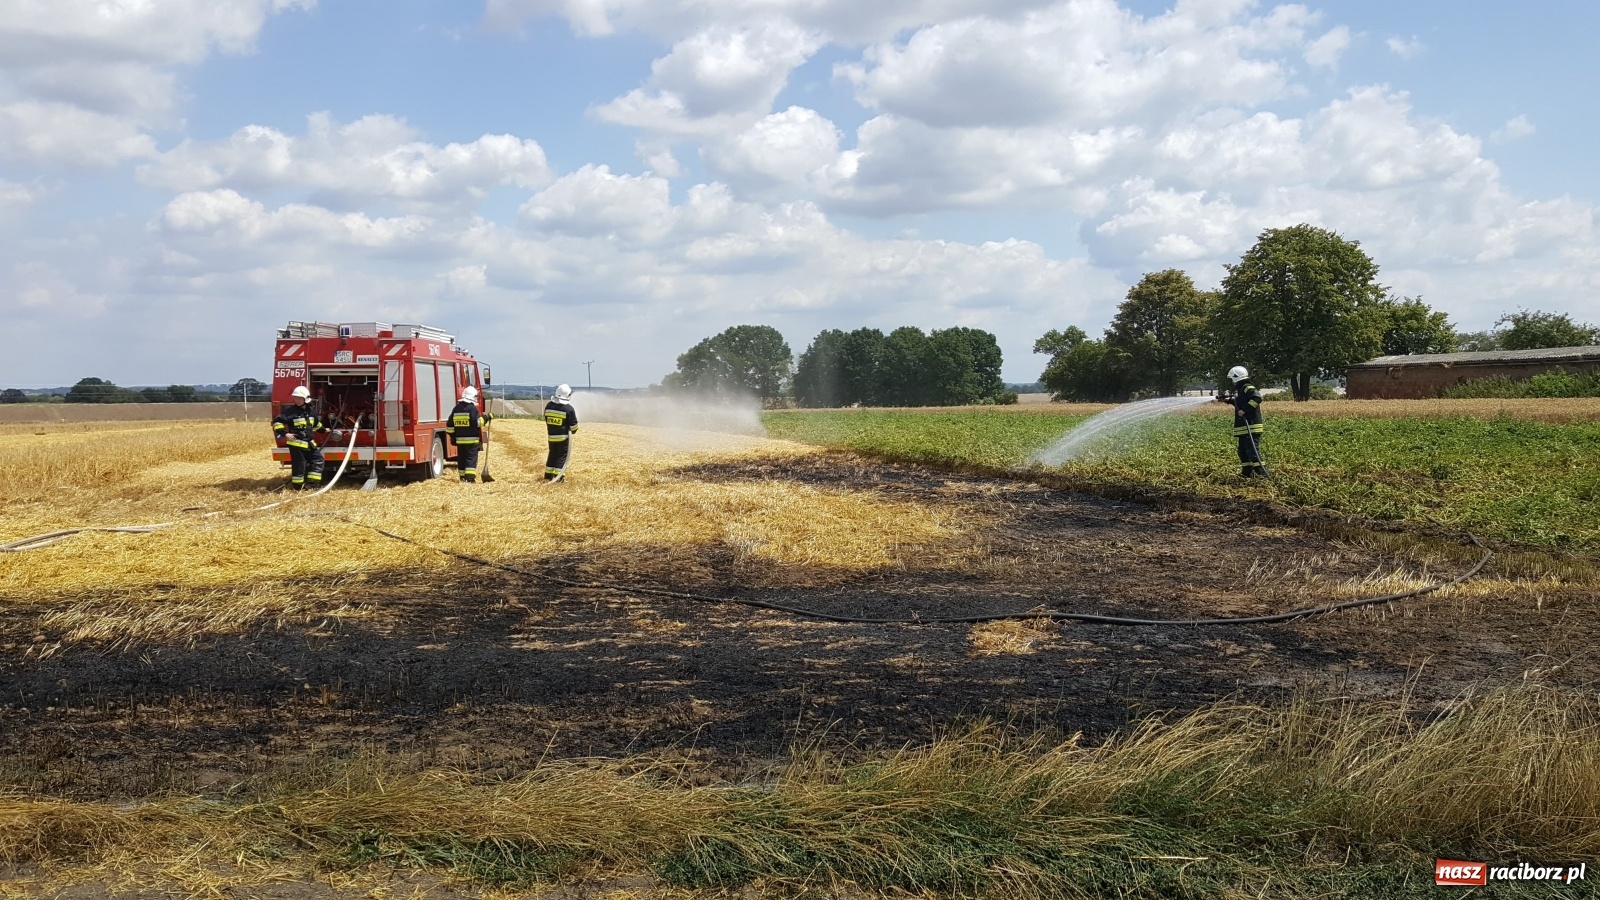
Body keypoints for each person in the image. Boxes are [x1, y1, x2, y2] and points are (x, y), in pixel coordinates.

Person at [273, 385, 325, 489]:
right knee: (300, 465)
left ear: (306, 399)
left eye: (299, 398)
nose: (297, 400)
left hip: (309, 444)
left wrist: (324, 430)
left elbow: (316, 424)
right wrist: (285, 434)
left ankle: (313, 485)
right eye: (295, 398)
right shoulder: (290, 412)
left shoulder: (311, 412)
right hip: (296, 444)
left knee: (318, 460)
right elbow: (277, 423)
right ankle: (298, 487)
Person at [1220, 365, 1267, 478]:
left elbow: (1257, 398)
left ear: (1236, 377)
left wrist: (1245, 410)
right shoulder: (1240, 390)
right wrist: (1228, 400)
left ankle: (1262, 474)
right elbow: (1239, 402)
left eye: (1232, 379)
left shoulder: (1247, 387)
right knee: (1242, 451)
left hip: (1251, 425)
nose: (1232, 382)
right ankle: (1247, 473)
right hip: (1243, 427)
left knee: (1252, 451)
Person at [446, 385, 492, 483]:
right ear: (473, 397)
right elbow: (478, 423)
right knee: (470, 459)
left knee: (462, 459)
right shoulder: (472, 409)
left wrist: (453, 437)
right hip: (472, 441)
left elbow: (449, 425)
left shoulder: (456, 409)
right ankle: (470, 479)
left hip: (460, 441)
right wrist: (487, 418)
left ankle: (463, 478)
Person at [543, 383, 579, 482]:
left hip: (551, 437)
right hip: (563, 438)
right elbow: (574, 428)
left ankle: (548, 476)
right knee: (561, 457)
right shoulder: (568, 409)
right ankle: (559, 478)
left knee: (552, 455)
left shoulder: (549, 406)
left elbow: (547, 419)